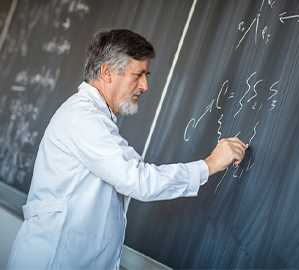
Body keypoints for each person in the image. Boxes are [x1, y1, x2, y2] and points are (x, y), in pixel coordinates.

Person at [7, 29, 247, 270]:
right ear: (107, 73)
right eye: (138, 75)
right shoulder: (83, 118)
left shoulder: (93, 117)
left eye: (147, 75)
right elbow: (138, 180)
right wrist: (210, 164)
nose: (145, 85)